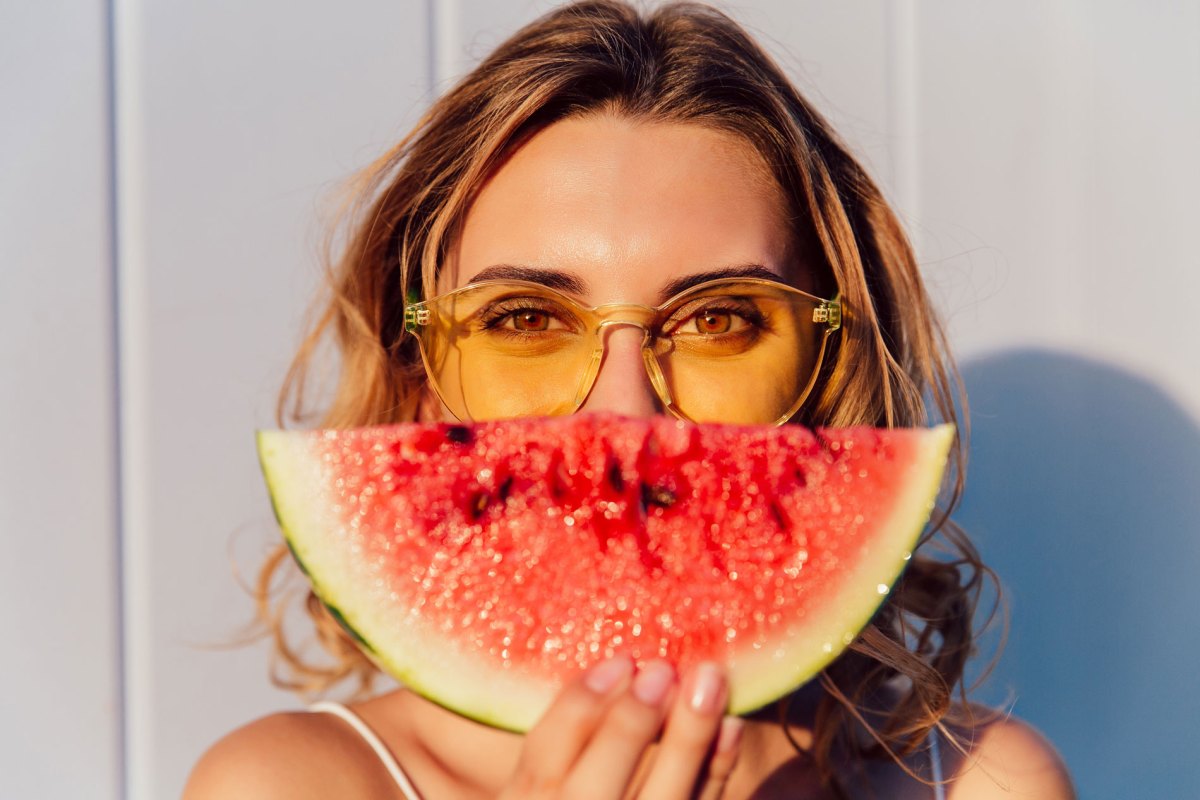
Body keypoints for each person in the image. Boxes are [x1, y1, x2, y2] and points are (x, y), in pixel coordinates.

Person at [185, 2, 1074, 797]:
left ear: (831, 364)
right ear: (417, 371)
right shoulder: (292, 785)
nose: (624, 416)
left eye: (722, 318)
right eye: (524, 316)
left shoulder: (972, 785)